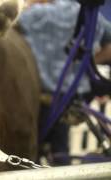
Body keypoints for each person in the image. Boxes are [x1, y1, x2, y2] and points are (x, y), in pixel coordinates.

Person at [18, 0, 111, 165]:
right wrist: (89, 61)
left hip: (36, 100)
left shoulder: (34, 15)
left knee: (28, 155)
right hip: (69, 100)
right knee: (60, 153)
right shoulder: (85, 14)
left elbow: (4, 32)